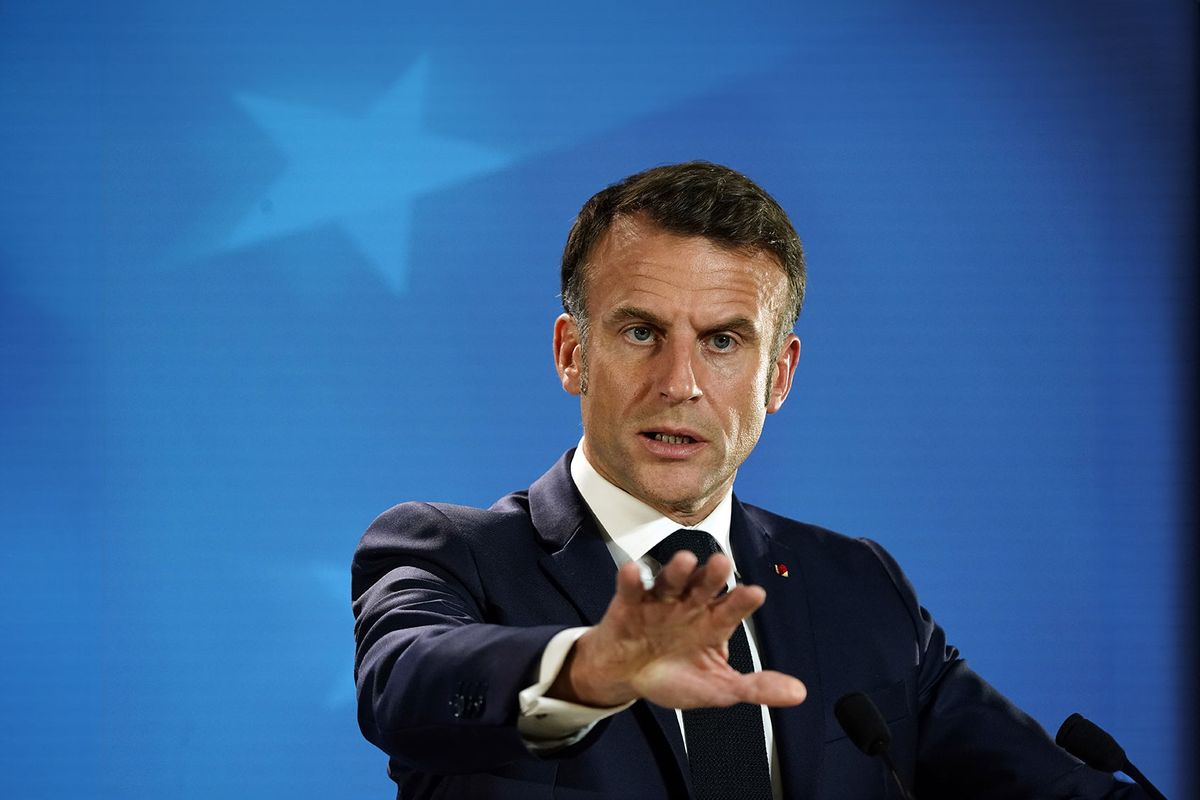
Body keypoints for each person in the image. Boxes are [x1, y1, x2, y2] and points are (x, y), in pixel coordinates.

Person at [351, 162, 1143, 798]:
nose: (680, 382)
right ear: (572, 353)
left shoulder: (858, 587)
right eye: (640, 332)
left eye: (724, 341)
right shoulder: (453, 553)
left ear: (780, 376)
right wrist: (592, 669)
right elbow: (407, 685)